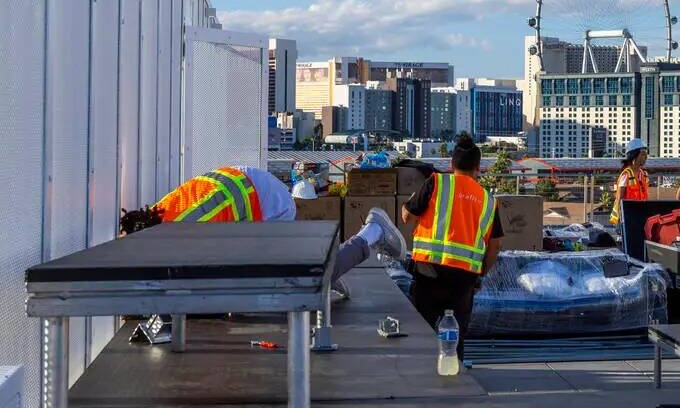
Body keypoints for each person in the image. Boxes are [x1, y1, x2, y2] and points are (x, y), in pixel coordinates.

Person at [119, 165, 408, 300]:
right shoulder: (155, 217)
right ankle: (325, 270)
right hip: (246, 183)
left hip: (267, 203)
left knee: (299, 283)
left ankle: (371, 232)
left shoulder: (183, 235)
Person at [401, 134, 503, 360]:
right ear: (478, 168)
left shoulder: (437, 183)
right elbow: (495, 245)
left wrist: (407, 206)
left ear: (451, 165)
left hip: (428, 271)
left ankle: (419, 375)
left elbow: (408, 216)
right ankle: (454, 380)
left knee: (422, 330)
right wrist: (481, 273)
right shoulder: (487, 200)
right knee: (455, 337)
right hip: (464, 278)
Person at [610, 138, 650, 225]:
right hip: (626, 218)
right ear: (634, 155)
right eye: (643, 154)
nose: (646, 157)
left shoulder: (644, 175)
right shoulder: (626, 175)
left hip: (639, 216)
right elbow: (619, 198)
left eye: (646, 154)